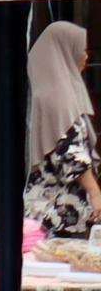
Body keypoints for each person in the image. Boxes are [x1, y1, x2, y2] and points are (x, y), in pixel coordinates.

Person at [32, 18, 101, 240]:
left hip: (48, 206)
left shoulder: (47, 90)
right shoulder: (57, 96)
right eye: (81, 50)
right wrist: (94, 191)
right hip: (57, 210)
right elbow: (69, 152)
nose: (85, 57)